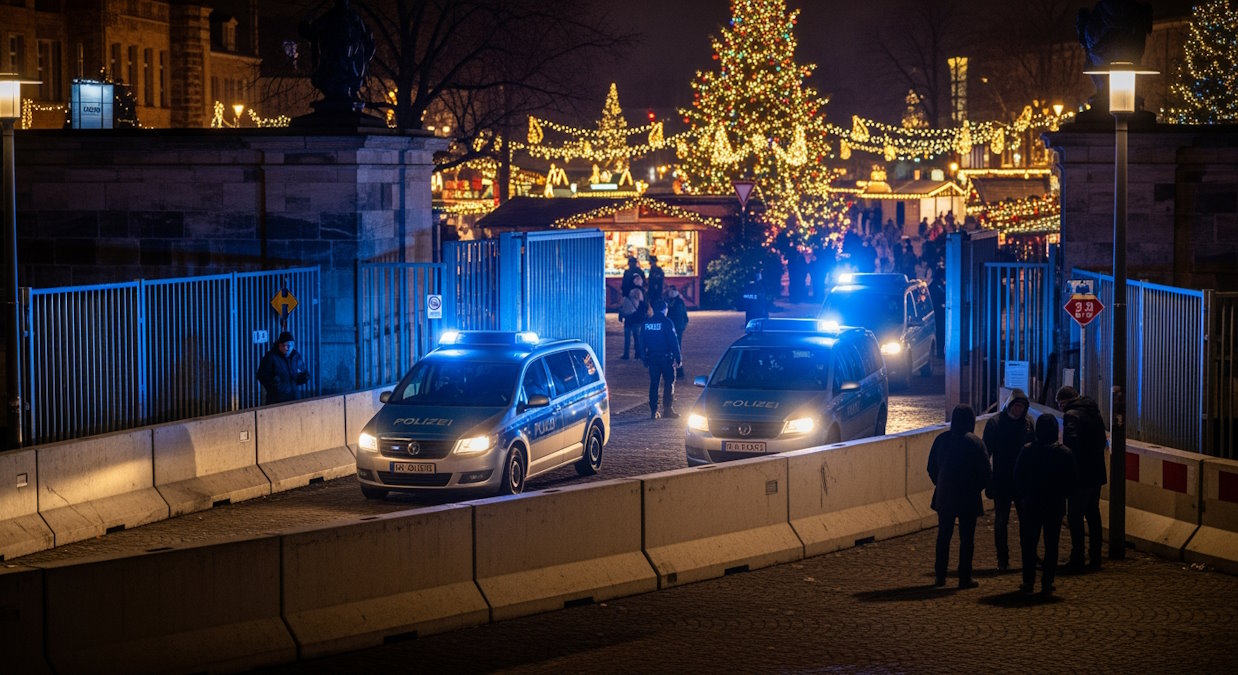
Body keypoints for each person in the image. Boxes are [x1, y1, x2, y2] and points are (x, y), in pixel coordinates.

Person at [927, 404, 992, 589]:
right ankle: (964, 577)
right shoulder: (976, 442)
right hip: (968, 497)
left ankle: (940, 576)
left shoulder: (941, 440)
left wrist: (940, 485)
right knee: (967, 539)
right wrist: (979, 488)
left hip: (945, 495)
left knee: (943, 537)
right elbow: (985, 472)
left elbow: (931, 467)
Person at [1014, 414, 1078, 595]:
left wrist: (1024, 495)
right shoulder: (1065, 453)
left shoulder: (1027, 450)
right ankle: (1047, 582)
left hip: (1031, 504)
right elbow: (1072, 481)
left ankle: (1028, 582)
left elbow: (1017, 476)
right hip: (1054, 505)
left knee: (1029, 545)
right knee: (1052, 545)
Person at [1056, 385, 1109, 571]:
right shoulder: (1094, 411)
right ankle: (1096, 556)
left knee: (1075, 516)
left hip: (1081, 475)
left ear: (1063, 402)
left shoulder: (1071, 415)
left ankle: (1077, 555)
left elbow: (1071, 446)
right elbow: (1103, 441)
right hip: (1096, 472)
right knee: (1093, 514)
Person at [982, 388, 1035, 572]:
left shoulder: (1027, 423)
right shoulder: (995, 424)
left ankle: (1029, 556)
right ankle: (1002, 559)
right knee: (1001, 521)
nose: (1019, 410)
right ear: (1010, 405)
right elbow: (985, 453)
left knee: (1026, 522)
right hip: (1002, 480)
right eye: (1016, 406)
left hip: (1022, 481)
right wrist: (988, 480)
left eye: (1022, 407)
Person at [641, 299, 682, 420]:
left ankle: (654, 411)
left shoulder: (647, 323)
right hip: (666, 358)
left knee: (654, 383)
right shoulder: (667, 322)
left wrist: (644, 358)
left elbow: (641, 342)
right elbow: (673, 342)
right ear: (665, 309)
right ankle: (667, 410)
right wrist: (678, 357)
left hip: (652, 358)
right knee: (669, 383)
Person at [256, 331, 309, 405]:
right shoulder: (270, 357)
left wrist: (303, 377)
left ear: (293, 345)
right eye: (284, 345)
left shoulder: (296, 356)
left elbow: (300, 373)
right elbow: (261, 375)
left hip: (294, 398)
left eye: (290, 345)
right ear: (279, 345)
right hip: (276, 400)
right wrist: (274, 386)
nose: (287, 348)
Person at [665, 286, 689, 378]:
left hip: (676, 328)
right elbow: (685, 317)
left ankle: (678, 370)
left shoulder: (676, 303)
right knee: (675, 348)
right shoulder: (677, 302)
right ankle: (677, 370)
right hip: (676, 328)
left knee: (675, 348)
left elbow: (682, 316)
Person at [619, 284, 647, 360]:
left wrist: (621, 316)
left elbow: (622, 309)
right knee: (637, 338)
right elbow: (643, 311)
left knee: (627, 339)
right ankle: (638, 354)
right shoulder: (641, 302)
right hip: (637, 321)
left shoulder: (626, 299)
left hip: (628, 321)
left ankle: (626, 354)